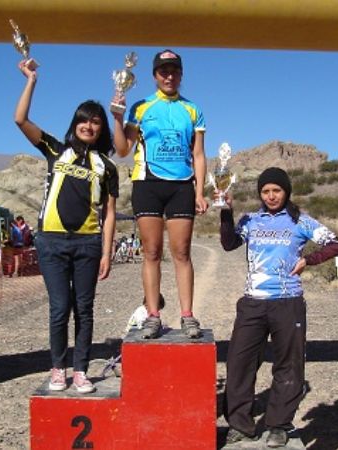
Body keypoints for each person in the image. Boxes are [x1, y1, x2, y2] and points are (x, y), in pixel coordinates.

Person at [220, 167, 338, 447]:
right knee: (239, 363)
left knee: (288, 365)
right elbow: (229, 244)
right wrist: (226, 213)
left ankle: (279, 425)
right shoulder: (251, 220)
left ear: (286, 191)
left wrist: (309, 260)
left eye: (276, 190)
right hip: (252, 303)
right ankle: (240, 425)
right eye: (265, 191)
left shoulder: (301, 221)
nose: (271, 196)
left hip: (288, 302)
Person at [15, 58, 118, 394]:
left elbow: (110, 213)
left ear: (102, 129)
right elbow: (20, 120)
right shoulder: (55, 150)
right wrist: (31, 80)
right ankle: (58, 368)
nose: (89, 125)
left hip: (88, 244)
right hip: (51, 242)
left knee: (84, 310)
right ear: (75, 123)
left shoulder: (107, 166)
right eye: (84, 119)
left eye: (96, 122)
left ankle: (81, 371)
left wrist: (107, 253)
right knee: (60, 308)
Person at [112, 49, 208, 339]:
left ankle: (187, 315)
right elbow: (122, 149)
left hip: (182, 185)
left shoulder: (192, 109)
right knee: (152, 252)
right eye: (163, 71)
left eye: (174, 71)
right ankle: (153, 315)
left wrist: (200, 192)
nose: (169, 76)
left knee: (182, 252)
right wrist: (117, 118)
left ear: (181, 74)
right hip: (147, 184)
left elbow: (199, 154)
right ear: (155, 75)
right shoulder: (141, 107)